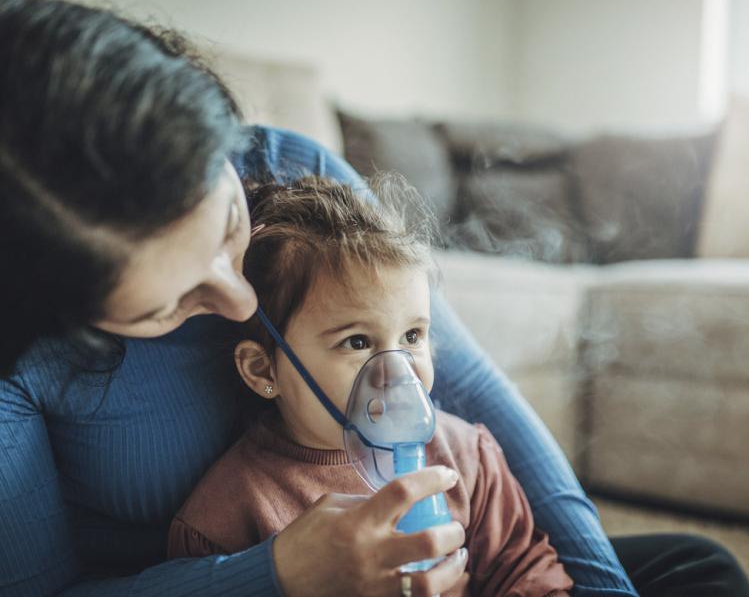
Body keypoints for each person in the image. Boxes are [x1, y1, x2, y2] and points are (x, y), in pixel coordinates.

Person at [0, 0, 749, 596]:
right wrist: (279, 576)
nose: (238, 304)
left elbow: (472, 391)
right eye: (164, 306)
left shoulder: (289, 174)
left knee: (696, 567)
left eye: (231, 226)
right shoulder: (25, 364)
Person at [165, 175, 575, 597]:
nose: (395, 371)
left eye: (412, 336)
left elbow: (528, 571)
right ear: (263, 371)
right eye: (357, 342)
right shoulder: (228, 514)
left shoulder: (465, 457)